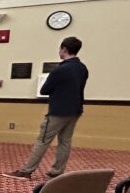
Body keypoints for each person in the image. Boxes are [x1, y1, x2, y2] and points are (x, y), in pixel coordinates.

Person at [5, 36, 88, 179]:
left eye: (60, 49)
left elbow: (44, 90)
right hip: (75, 109)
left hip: (58, 111)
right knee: (65, 141)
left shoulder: (60, 69)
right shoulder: (82, 68)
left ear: (64, 49)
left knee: (43, 140)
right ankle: (57, 171)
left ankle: (26, 170)